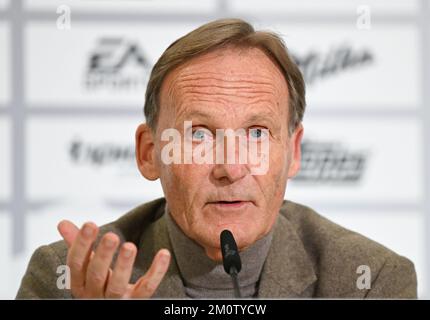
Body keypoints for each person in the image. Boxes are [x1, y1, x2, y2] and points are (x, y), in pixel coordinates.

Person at [16, 18, 417, 299]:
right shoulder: (69, 280)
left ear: (293, 152)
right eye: (200, 135)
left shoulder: (368, 280)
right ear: (149, 153)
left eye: (257, 133)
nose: (231, 167)